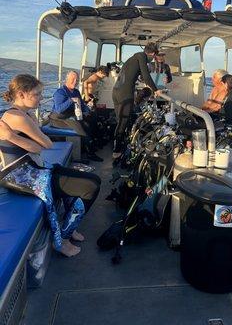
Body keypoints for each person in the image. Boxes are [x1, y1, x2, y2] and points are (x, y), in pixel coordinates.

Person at [0, 74, 101, 257]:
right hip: (21, 175)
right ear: (22, 94)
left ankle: (68, 227)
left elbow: (39, 147)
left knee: (91, 177)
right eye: (37, 94)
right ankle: (62, 238)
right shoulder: (17, 117)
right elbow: (47, 144)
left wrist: (28, 142)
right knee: (90, 186)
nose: (41, 98)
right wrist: (34, 144)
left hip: (34, 167)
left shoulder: (26, 113)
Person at [112, 42, 162, 158]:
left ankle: (118, 146)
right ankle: (116, 151)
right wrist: (156, 90)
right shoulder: (142, 57)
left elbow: (138, 75)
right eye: (154, 57)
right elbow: (146, 76)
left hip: (116, 92)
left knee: (120, 122)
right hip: (125, 94)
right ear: (153, 54)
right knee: (122, 123)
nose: (153, 60)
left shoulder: (134, 58)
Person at [49, 71, 102, 161]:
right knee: (79, 126)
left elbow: (81, 104)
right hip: (58, 118)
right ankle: (90, 153)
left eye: (76, 80)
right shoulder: (60, 92)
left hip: (70, 115)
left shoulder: (76, 91)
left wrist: (87, 111)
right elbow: (59, 109)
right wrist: (71, 100)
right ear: (66, 80)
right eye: (72, 80)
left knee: (90, 122)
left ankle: (89, 145)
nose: (75, 82)